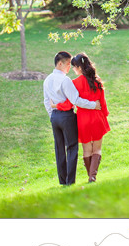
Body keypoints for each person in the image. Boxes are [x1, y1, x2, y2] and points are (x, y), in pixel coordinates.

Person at [43, 51, 101, 186]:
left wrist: (52, 116)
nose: (70, 67)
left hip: (55, 117)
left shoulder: (47, 80)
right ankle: (70, 182)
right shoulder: (65, 80)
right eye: (68, 64)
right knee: (72, 147)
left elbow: (46, 101)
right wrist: (93, 105)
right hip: (67, 117)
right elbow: (76, 100)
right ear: (60, 63)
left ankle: (62, 181)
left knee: (59, 149)